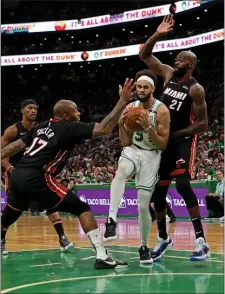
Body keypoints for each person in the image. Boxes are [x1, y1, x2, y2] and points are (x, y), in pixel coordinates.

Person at [1, 78, 136, 269]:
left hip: (18, 175)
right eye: (75, 110)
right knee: (82, 208)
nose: (79, 113)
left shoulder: (40, 127)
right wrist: (122, 101)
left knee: (8, 216)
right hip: (37, 176)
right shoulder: (69, 127)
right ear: (66, 116)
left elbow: (15, 146)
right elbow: (104, 129)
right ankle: (102, 255)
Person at [139, 14, 210, 261]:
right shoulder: (167, 74)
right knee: (158, 194)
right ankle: (163, 238)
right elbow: (145, 56)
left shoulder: (195, 89)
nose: (176, 61)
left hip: (181, 143)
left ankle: (201, 240)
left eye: (181, 59)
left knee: (183, 186)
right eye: (177, 58)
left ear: (191, 64)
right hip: (162, 144)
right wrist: (158, 35)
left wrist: (174, 134)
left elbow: (202, 124)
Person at [104, 69, 171, 264]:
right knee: (121, 172)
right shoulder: (130, 107)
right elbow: (125, 142)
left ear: (152, 88)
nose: (141, 90)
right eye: (139, 86)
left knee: (143, 206)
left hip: (151, 155)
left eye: (145, 87)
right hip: (133, 150)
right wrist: (121, 124)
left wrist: (147, 127)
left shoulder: (161, 110)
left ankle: (143, 246)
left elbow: (162, 145)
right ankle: (111, 220)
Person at [1, 99, 74, 254]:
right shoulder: (13, 130)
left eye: (35, 108)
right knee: (13, 208)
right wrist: (9, 167)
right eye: (30, 108)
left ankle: (62, 237)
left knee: (50, 201)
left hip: (36, 172)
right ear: (22, 111)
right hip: (16, 173)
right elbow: (1, 153)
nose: (33, 111)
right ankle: (1, 238)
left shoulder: (41, 128)